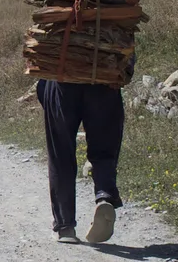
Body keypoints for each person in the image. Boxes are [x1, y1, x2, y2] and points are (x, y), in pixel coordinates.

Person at [37, 77, 125, 244]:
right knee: (104, 149)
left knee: (61, 153)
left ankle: (65, 227)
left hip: (61, 81)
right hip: (104, 80)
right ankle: (104, 196)